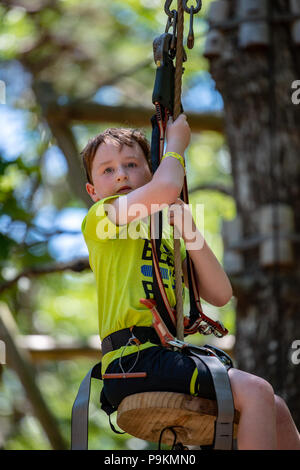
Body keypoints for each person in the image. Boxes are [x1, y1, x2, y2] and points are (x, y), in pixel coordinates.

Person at [80, 114, 300, 450]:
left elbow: (219, 293)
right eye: (108, 170)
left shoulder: (163, 241)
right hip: (132, 360)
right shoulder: (101, 219)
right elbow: (166, 187)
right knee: (255, 391)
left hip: (162, 357)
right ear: (93, 191)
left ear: (148, 173)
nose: (121, 173)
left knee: (277, 409)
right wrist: (176, 146)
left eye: (132, 164)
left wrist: (190, 232)